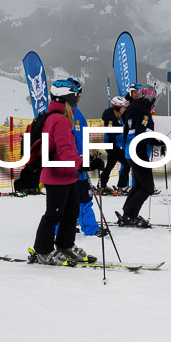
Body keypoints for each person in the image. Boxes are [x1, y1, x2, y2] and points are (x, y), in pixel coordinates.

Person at [32, 79, 96, 265]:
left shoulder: (60, 117)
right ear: (68, 98)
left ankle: (65, 245)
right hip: (57, 175)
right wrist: (85, 162)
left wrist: (82, 163)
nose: (78, 101)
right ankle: (43, 251)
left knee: (71, 212)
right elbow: (65, 152)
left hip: (67, 174)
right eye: (76, 98)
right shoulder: (59, 120)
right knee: (54, 214)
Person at [117, 85, 165, 228]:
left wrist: (125, 146)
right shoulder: (144, 112)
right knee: (147, 188)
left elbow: (127, 129)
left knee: (138, 185)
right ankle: (130, 216)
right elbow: (141, 133)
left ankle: (128, 213)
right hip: (139, 152)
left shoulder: (131, 108)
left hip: (130, 152)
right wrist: (158, 142)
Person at [66, 77, 106, 238]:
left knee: (78, 198)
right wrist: (83, 161)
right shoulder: (70, 113)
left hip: (77, 163)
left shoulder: (73, 112)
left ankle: (84, 227)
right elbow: (74, 140)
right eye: (79, 94)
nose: (80, 98)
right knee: (82, 198)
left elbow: (80, 139)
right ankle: (89, 228)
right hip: (75, 165)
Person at [99, 96, 131, 195]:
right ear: (118, 107)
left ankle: (102, 186)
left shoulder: (118, 116)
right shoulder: (111, 117)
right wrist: (124, 131)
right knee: (127, 163)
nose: (125, 109)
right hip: (112, 145)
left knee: (110, 165)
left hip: (114, 145)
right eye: (123, 107)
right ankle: (122, 187)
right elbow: (110, 132)